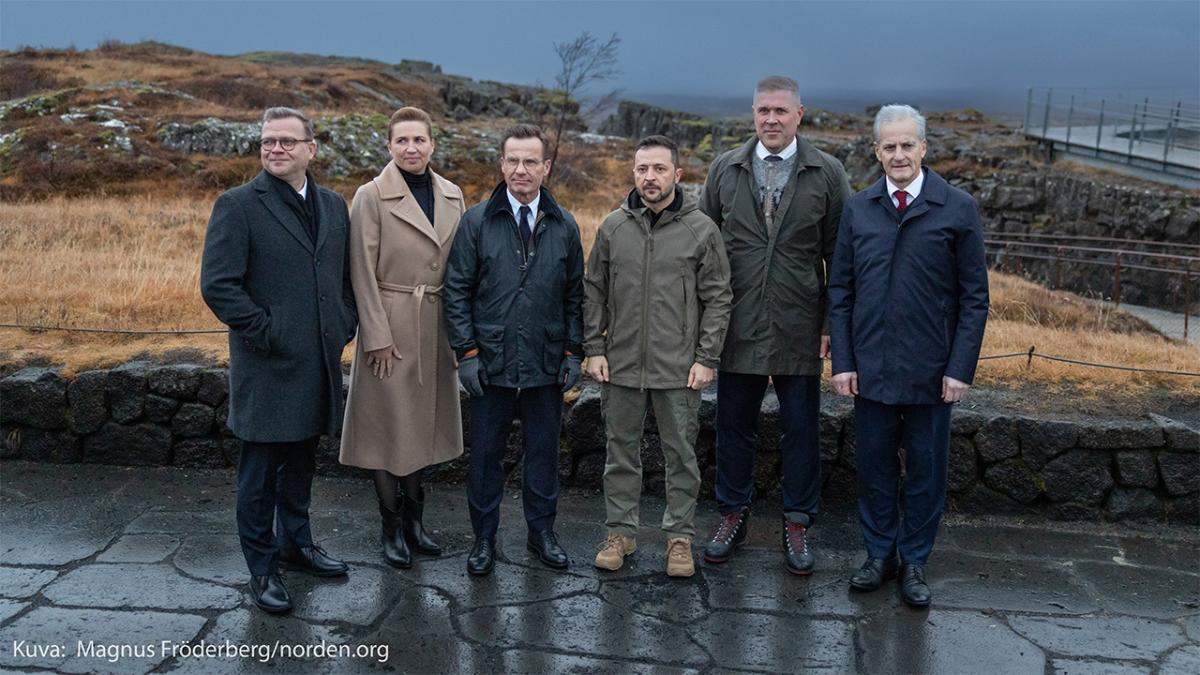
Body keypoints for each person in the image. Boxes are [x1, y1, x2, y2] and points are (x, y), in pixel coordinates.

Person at [827, 104, 989, 607]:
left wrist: (960, 368)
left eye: (907, 145)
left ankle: (915, 561)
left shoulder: (957, 207)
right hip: (870, 369)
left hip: (932, 373)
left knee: (925, 472)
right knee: (874, 467)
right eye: (888, 146)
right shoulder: (858, 208)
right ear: (876, 152)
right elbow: (841, 291)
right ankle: (879, 555)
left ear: (924, 147)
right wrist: (844, 361)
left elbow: (974, 298)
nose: (898, 154)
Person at [201, 106, 357, 614]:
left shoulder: (334, 206)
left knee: (301, 466)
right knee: (259, 475)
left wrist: (342, 324)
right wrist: (268, 332)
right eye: (268, 141)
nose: (276, 149)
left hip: (317, 363)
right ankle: (262, 567)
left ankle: (297, 545)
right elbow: (219, 287)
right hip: (267, 366)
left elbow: (341, 277)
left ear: (311, 150)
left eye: (288, 141)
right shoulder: (238, 205)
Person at [699, 76, 850, 575]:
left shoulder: (827, 173)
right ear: (752, 113)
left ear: (799, 114)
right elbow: (703, 250)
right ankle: (732, 514)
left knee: (801, 430)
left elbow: (839, 259)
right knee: (733, 428)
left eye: (781, 111)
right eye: (763, 110)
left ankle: (798, 520)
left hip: (799, 324)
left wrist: (831, 323)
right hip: (736, 323)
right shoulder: (725, 168)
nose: (771, 119)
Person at [584, 135, 732, 578]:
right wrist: (594, 347)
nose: (650, 177)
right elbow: (593, 290)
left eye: (659, 169)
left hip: (679, 368)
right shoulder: (613, 227)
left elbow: (719, 298)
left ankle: (679, 538)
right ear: (634, 173)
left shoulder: (701, 229)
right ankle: (620, 533)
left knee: (681, 456)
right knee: (620, 453)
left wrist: (707, 357)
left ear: (677, 175)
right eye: (642, 169)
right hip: (622, 363)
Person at [443, 124, 585, 576]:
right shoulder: (477, 221)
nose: (520, 170)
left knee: (543, 454)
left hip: (545, 363)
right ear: (501, 164)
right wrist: (466, 354)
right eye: (512, 161)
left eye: (530, 162)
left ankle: (542, 533)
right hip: (491, 364)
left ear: (546, 167)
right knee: (485, 457)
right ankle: (483, 539)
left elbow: (574, 296)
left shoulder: (564, 226)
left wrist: (572, 352)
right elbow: (457, 291)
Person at [339, 107, 465, 569]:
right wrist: (376, 336)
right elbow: (360, 270)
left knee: (423, 429)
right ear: (389, 146)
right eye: (402, 141)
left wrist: (459, 333)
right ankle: (391, 526)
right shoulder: (371, 195)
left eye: (419, 140)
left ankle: (415, 522)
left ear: (433, 144)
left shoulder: (453, 193)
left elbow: (458, 267)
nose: (411, 148)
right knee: (387, 428)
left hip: (436, 325)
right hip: (391, 322)